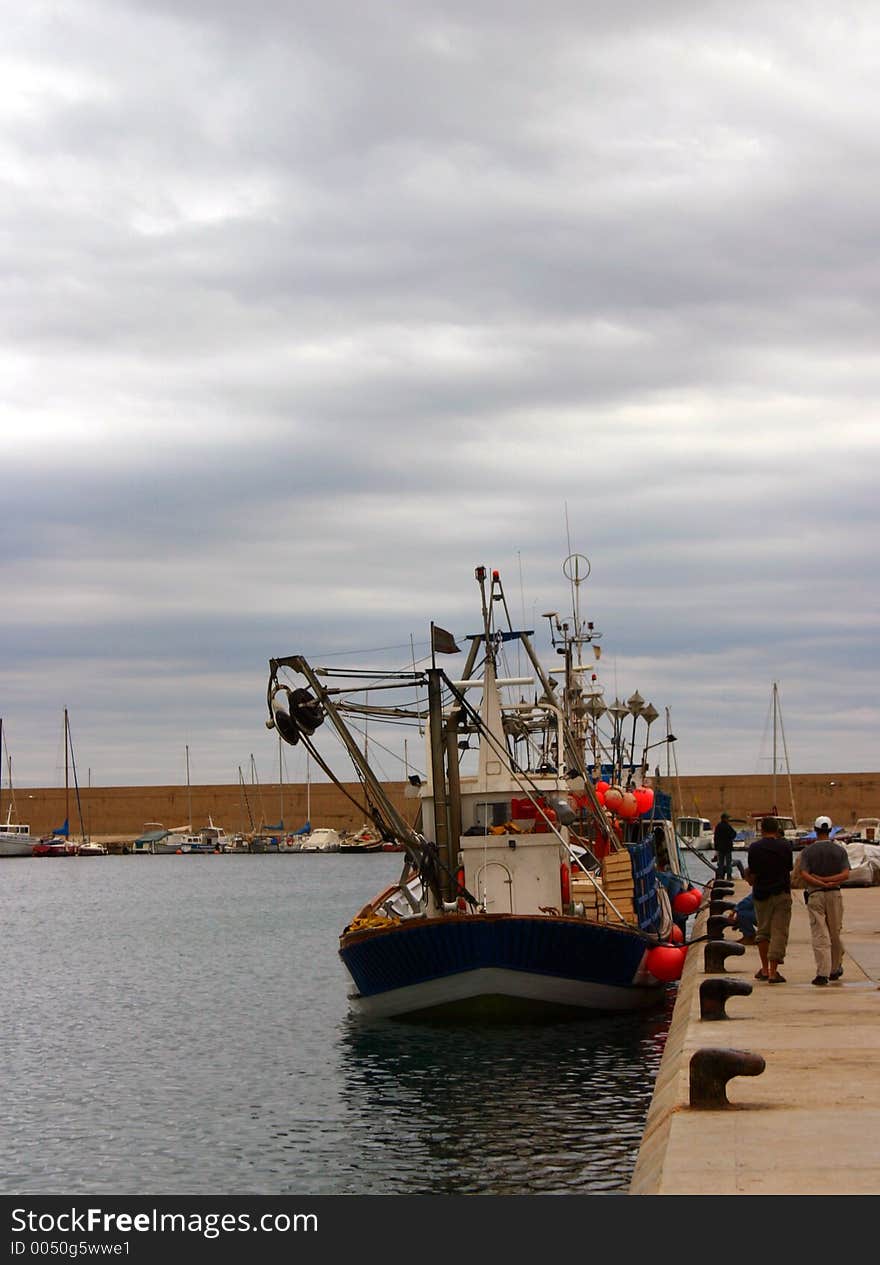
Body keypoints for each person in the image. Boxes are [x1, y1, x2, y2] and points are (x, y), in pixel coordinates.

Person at [799, 815, 850, 986]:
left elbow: (804, 874)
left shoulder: (808, 851)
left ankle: (822, 973)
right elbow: (846, 874)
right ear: (830, 830)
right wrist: (831, 881)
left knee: (820, 934)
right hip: (835, 894)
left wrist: (820, 881)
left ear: (815, 830)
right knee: (835, 932)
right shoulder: (840, 850)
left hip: (816, 894)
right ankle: (835, 968)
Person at [747, 816, 794, 983]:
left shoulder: (754, 848)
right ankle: (774, 972)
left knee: (763, 932)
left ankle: (765, 969)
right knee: (779, 931)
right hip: (781, 893)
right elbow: (789, 868)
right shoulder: (785, 846)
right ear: (777, 829)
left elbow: (752, 873)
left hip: (761, 894)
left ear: (762, 830)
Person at [713, 811, 737, 880]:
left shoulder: (718, 826)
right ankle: (729, 876)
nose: (728, 819)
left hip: (720, 848)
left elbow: (715, 837)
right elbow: (734, 834)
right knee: (728, 863)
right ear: (724, 818)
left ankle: (721, 876)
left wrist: (716, 847)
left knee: (720, 863)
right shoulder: (728, 826)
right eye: (727, 818)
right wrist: (730, 838)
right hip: (728, 848)